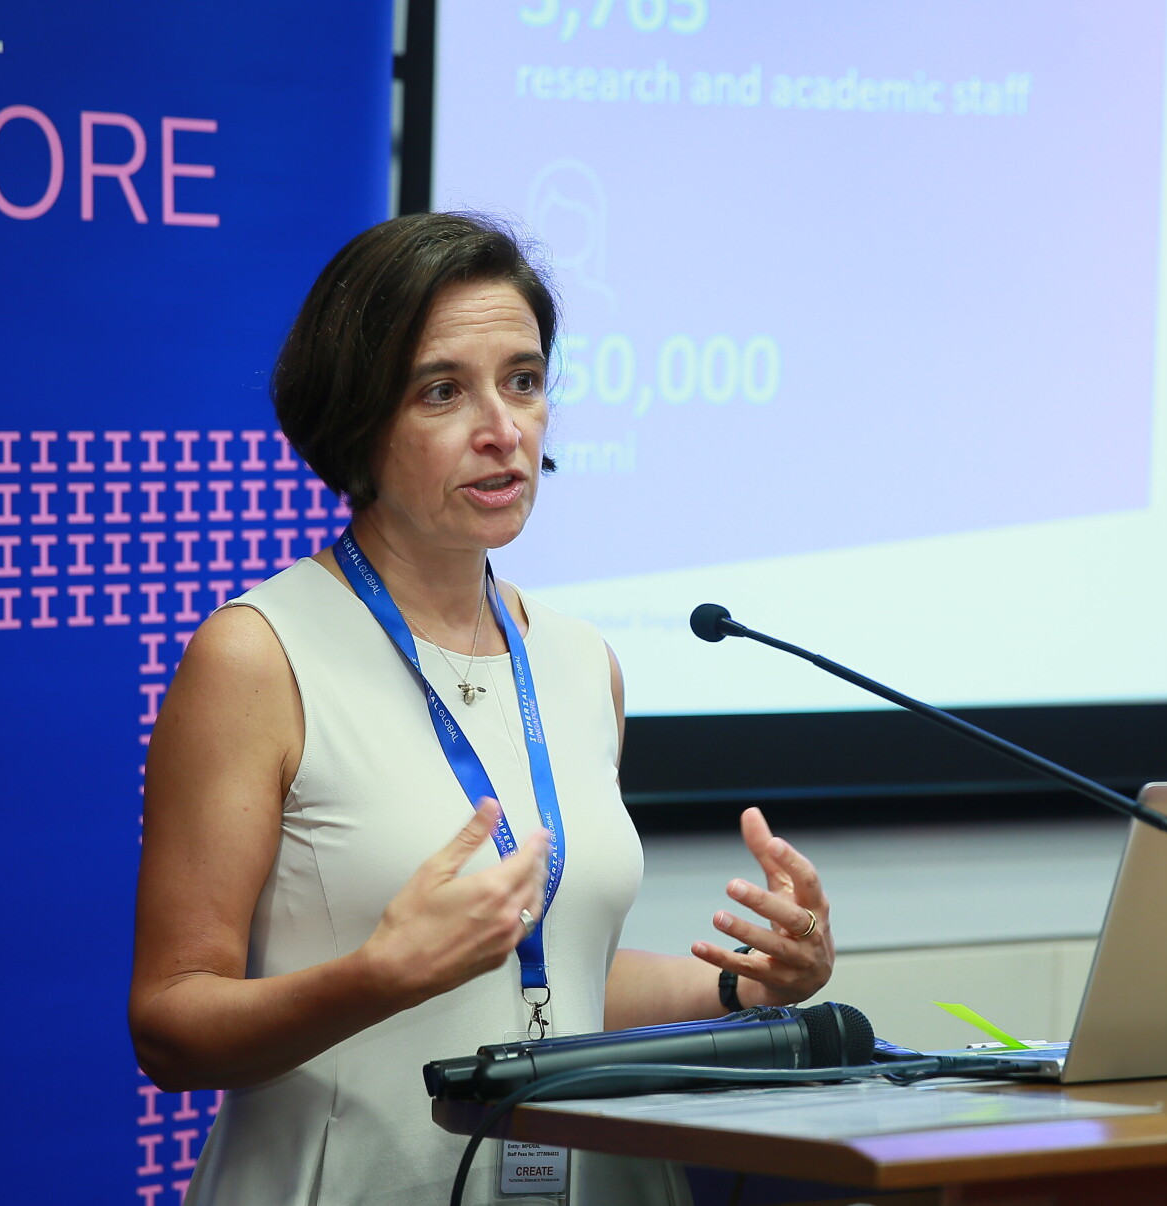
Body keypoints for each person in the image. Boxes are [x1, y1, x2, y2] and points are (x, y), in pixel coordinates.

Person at [129, 212, 836, 1205]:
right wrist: (377, 975)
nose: (503, 429)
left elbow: (560, 980)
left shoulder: (583, 663)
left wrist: (742, 985)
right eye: (442, 391)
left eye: (524, 380)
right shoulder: (258, 655)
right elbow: (171, 1024)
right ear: (357, 419)